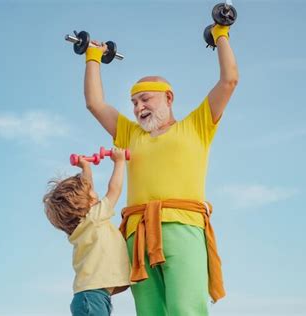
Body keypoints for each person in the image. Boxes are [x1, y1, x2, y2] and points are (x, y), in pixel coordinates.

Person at [83, 23, 238, 316]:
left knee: (186, 310)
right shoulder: (130, 135)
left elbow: (229, 80)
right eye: (134, 102)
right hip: (137, 235)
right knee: (150, 312)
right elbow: (95, 103)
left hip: (184, 228)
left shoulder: (197, 125)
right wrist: (92, 56)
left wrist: (220, 34)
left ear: (168, 98)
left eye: (145, 99)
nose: (138, 107)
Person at [43, 148, 132, 316]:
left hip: (89, 297)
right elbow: (114, 190)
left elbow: (86, 190)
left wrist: (86, 168)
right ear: (89, 202)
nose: (94, 190)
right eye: (91, 191)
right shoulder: (94, 218)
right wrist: (119, 162)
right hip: (93, 297)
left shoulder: (80, 226)